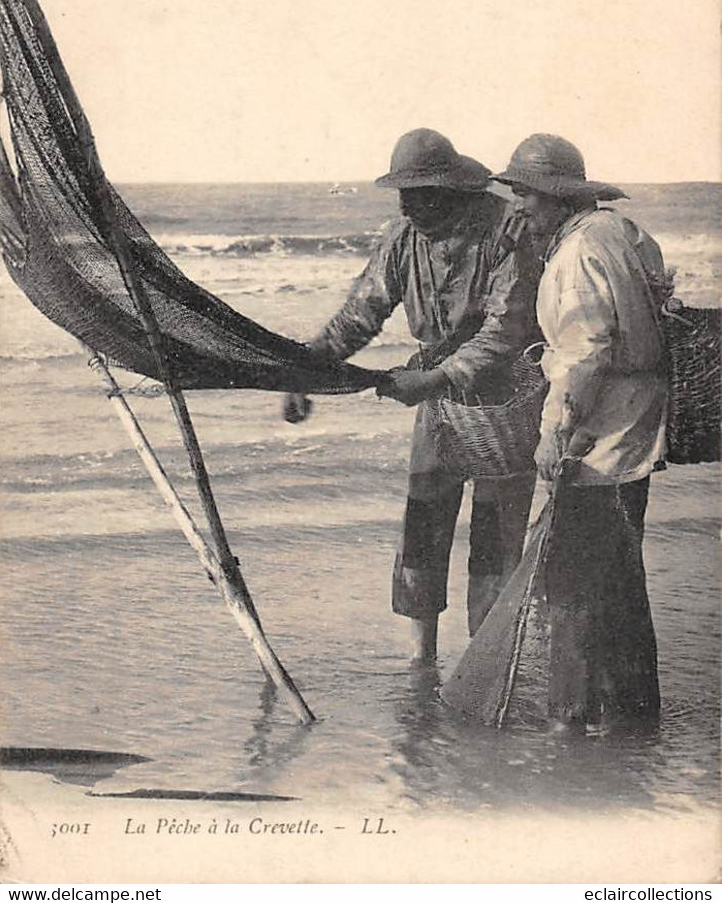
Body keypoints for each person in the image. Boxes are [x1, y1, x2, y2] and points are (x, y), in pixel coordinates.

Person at [283, 128, 540, 662]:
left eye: (421, 193)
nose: (410, 204)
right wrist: (307, 370)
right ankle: (420, 659)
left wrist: (436, 377)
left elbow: (506, 330)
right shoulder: (403, 239)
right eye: (404, 193)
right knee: (423, 524)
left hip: (506, 403)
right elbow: (360, 315)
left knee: (496, 537)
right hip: (438, 409)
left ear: (453, 189)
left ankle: (483, 661)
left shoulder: (505, 233)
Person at [494, 133, 667, 727]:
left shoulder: (575, 257)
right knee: (620, 581)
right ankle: (632, 715)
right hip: (636, 427)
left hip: (596, 436)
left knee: (570, 586)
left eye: (525, 195)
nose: (517, 206)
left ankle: (568, 720)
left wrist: (552, 434)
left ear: (557, 196)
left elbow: (582, 352)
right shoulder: (620, 232)